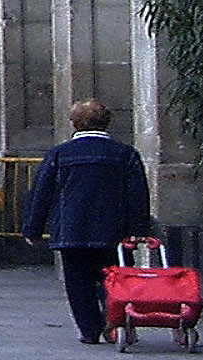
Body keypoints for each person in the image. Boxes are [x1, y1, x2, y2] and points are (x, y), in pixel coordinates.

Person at [23, 98, 157, 346]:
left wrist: (33, 228)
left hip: (71, 232)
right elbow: (138, 194)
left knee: (78, 283)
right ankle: (115, 321)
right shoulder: (125, 154)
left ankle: (89, 329)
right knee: (115, 279)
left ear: (73, 123)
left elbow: (42, 193)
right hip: (114, 232)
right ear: (107, 123)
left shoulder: (59, 154)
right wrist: (138, 229)